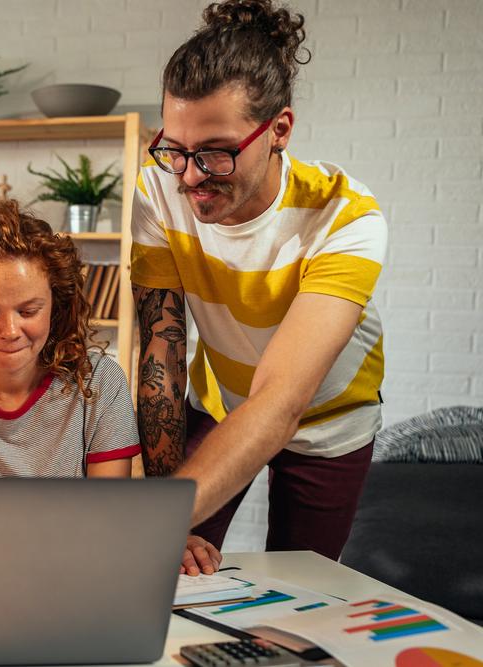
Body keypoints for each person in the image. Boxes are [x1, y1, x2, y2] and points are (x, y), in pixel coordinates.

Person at [130, 0, 387, 559]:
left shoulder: (346, 218)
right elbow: (162, 354)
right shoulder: (157, 191)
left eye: (217, 155)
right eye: (176, 150)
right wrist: (162, 509)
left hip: (326, 421)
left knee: (301, 585)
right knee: (173, 568)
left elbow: (281, 399)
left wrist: (151, 522)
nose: (191, 177)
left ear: (279, 130)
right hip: (219, 401)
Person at [0, 199, 221, 575]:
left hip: (70, 575)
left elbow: (106, 518)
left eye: (29, 311)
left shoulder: (99, 381)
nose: (10, 331)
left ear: (56, 307)